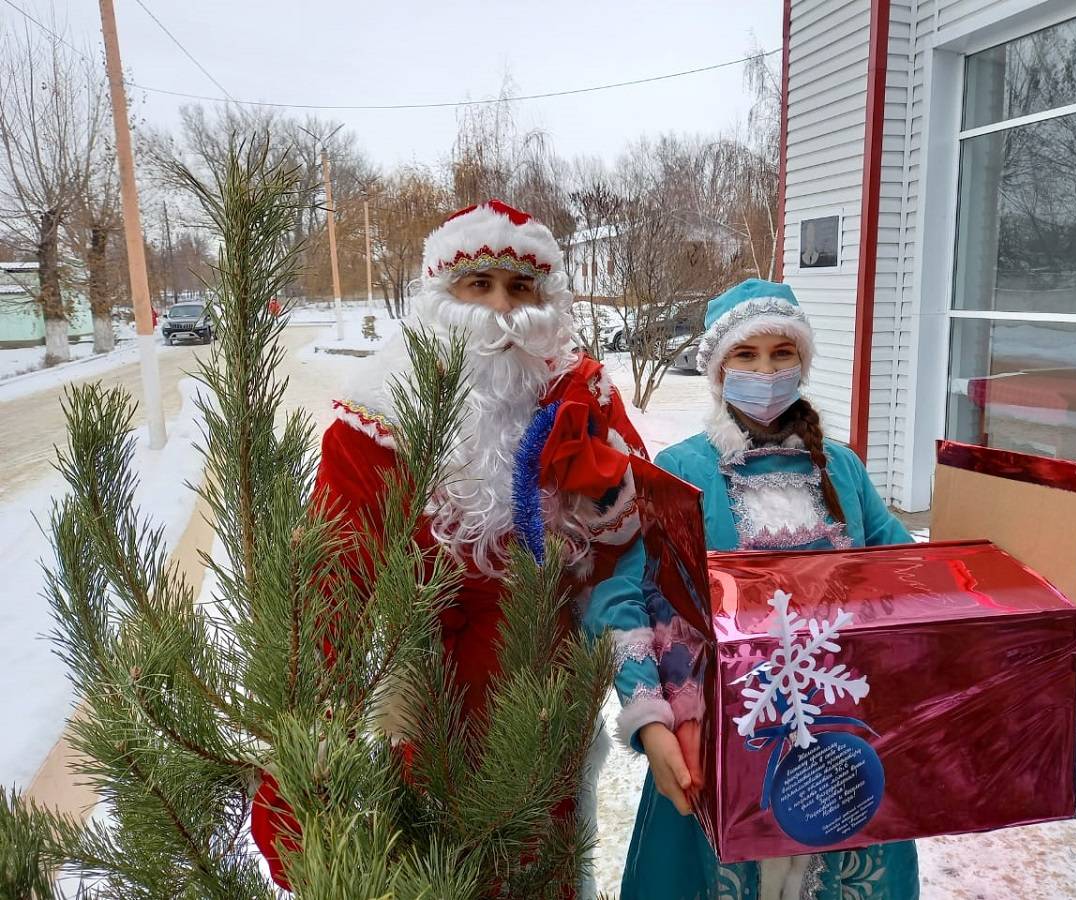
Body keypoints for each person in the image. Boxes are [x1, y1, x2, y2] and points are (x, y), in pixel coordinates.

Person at [251, 199, 647, 888]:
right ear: (442, 297)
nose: (500, 308)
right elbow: (331, 585)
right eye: (479, 284)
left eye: (521, 288)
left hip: (550, 702)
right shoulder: (376, 417)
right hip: (434, 712)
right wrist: (306, 762)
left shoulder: (581, 399)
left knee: (545, 876)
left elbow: (642, 550)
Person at [585, 279, 920, 899]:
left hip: (845, 746)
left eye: (781, 353)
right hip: (716, 744)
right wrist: (650, 722)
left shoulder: (841, 469)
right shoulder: (681, 471)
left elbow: (907, 577)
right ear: (718, 369)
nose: (766, 371)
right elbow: (620, 596)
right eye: (746, 355)